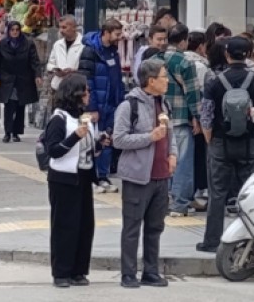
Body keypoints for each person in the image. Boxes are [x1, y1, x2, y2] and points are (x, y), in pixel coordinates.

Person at [196, 37, 254, 253]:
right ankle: (253, 239)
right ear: (248, 55)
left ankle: (211, 241)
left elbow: (205, 116)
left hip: (220, 143)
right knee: (252, 193)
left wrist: (211, 140)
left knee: (217, 194)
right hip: (251, 143)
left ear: (226, 54)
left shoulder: (214, 82)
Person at [113, 59, 176, 288]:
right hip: (138, 177)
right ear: (151, 81)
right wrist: (149, 137)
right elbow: (118, 139)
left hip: (161, 176)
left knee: (155, 227)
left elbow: (171, 134)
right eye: (163, 77)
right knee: (132, 226)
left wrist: (173, 154)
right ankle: (128, 273)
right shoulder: (129, 106)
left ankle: (151, 271)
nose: (167, 81)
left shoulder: (164, 103)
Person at [44, 74, 104, 288]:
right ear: (75, 94)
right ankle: (61, 272)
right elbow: (53, 150)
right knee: (64, 226)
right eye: (85, 91)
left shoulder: (82, 117)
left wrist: (100, 143)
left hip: (83, 177)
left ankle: (79, 270)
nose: (88, 94)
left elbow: (87, 149)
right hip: (63, 179)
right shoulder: (59, 118)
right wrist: (75, 137)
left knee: (84, 225)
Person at [155, 24, 201, 217]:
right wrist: (197, 118)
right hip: (181, 118)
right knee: (182, 162)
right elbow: (193, 93)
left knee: (163, 160)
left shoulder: (153, 60)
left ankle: (162, 200)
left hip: (159, 119)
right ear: (184, 40)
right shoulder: (185, 62)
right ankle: (180, 203)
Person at [78, 18, 125, 194]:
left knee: (107, 140)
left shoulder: (113, 52)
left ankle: (103, 176)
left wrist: (120, 101)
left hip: (112, 104)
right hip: (97, 104)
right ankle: (91, 177)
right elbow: (86, 80)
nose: (120, 38)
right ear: (106, 32)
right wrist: (91, 107)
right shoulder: (90, 51)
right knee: (92, 141)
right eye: (117, 34)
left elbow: (117, 79)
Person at [0, 21, 42, 143]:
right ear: (8, 31)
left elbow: (34, 61)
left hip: (23, 78)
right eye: (12, 30)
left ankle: (16, 132)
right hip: (7, 78)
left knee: (20, 105)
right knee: (9, 105)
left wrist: (37, 75)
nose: (15, 32)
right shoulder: (2, 44)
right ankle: (7, 132)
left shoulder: (28, 44)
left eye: (17, 30)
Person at [184, 31, 210, 211]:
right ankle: (193, 193)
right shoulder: (201, 67)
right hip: (195, 117)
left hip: (179, 115)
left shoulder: (179, 61)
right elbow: (200, 95)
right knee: (197, 156)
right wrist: (199, 118)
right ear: (201, 46)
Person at [46, 15, 84, 97]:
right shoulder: (57, 44)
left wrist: (74, 71)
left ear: (74, 27)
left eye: (64, 27)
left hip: (75, 88)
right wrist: (55, 70)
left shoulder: (83, 44)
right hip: (58, 87)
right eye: (60, 27)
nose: (61, 30)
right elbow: (50, 64)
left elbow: (87, 67)